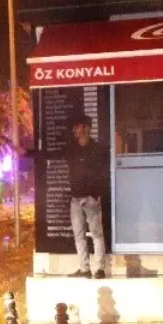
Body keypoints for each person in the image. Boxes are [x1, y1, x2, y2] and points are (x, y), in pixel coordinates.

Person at [67, 113, 108, 279]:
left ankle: (100, 269)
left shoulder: (97, 149)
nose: (74, 130)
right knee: (79, 235)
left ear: (86, 128)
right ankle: (84, 269)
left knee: (97, 234)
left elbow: (103, 173)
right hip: (75, 199)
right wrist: (26, 153)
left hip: (91, 198)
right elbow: (50, 154)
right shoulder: (72, 148)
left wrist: (96, 193)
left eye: (77, 126)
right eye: (74, 127)